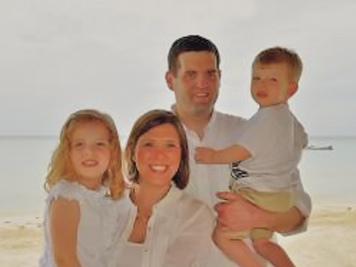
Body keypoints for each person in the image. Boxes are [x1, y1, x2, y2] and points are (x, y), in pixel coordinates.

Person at [164, 35, 312, 266]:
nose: (202, 83)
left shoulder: (253, 132)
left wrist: (257, 217)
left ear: (220, 78)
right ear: (170, 80)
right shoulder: (151, 142)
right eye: (190, 74)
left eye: (210, 74)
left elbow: (299, 213)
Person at [108, 109, 216, 267]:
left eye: (170, 146)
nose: (159, 155)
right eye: (149, 145)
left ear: (181, 155)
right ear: (131, 152)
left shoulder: (195, 215)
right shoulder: (106, 206)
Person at [39, 109, 126, 267]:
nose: (89, 152)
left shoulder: (100, 197)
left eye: (99, 144)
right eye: (79, 144)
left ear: (112, 152)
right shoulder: (68, 197)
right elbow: (64, 259)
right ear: (68, 153)